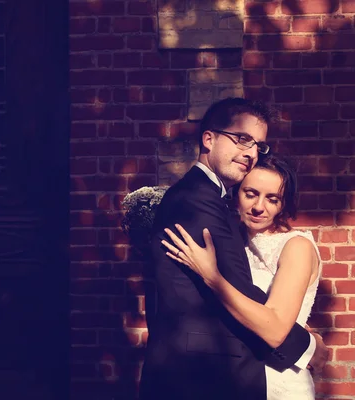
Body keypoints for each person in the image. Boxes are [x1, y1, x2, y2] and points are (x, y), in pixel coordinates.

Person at [137, 98, 329, 400]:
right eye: (242, 139)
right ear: (209, 139)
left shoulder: (211, 202)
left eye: (258, 145)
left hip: (253, 372)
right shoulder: (197, 201)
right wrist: (307, 346)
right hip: (204, 376)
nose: (251, 152)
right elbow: (243, 292)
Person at [161, 155, 321, 399]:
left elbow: (276, 330)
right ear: (236, 194)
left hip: (280, 381)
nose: (259, 206)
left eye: (272, 199)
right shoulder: (232, 240)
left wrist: (211, 277)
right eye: (251, 193)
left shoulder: (296, 246)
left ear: (284, 204)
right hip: (236, 379)